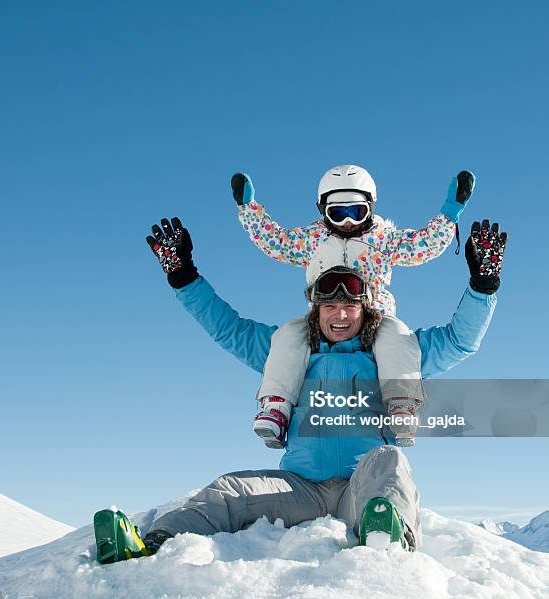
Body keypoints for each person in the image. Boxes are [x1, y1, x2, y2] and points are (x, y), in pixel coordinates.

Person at [92, 216, 507, 563]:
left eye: (350, 306)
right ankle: (149, 546)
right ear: (316, 308)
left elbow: (459, 341)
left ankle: (388, 539)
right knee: (230, 488)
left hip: (359, 491)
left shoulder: (393, 355)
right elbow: (227, 327)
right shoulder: (290, 352)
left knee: (389, 462)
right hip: (300, 488)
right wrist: (183, 276)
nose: (340, 315)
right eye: (330, 306)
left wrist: (483, 285)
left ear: (367, 309)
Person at [231, 166, 475, 448]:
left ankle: (401, 402)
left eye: (356, 212)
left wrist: (450, 213)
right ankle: (276, 404)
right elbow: (276, 242)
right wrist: (249, 209)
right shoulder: (312, 240)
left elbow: (422, 245)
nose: (347, 222)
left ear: (370, 208)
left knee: (397, 337)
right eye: (338, 213)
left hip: (374, 316)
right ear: (323, 211)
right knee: (288, 336)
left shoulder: (383, 239)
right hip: (321, 319)